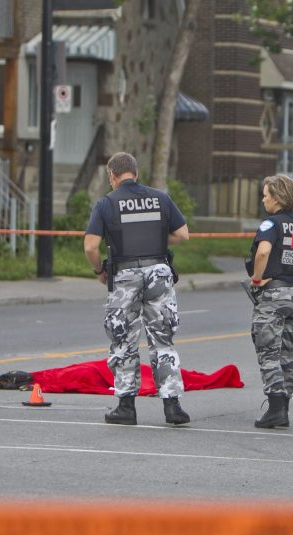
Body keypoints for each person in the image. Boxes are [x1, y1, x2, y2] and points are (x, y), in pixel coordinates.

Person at [83, 152, 191, 426]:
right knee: (162, 338)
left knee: (123, 339)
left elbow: (90, 246)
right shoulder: (160, 198)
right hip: (158, 272)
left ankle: (126, 407)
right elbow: (183, 234)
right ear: (136, 173)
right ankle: (172, 406)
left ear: (112, 175)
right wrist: (156, 235)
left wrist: (99, 271)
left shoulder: (106, 203)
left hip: (125, 275)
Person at [246, 174, 293, 429]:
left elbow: (263, 251)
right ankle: (284, 408)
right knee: (285, 353)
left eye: (266, 195)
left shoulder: (271, 224)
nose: (263, 200)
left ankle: (275, 408)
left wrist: (258, 279)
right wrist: (291, 274)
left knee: (268, 352)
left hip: (273, 298)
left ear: (277, 198)